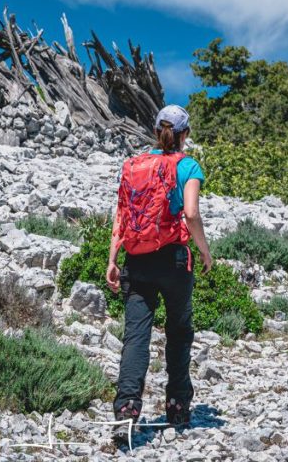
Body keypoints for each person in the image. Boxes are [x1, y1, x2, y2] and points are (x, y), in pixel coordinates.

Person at [106, 104, 213, 444]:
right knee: (179, 331)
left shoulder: (133, 166)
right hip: (174, 261)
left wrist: (113, 259)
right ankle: (178, 405)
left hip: (136, 261)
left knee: (136, 336)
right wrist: (204, 251)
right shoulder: (188, 166)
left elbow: (121, 216)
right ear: (186, 134)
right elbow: (192, 214)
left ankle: (125, 410)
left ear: (156, 132)